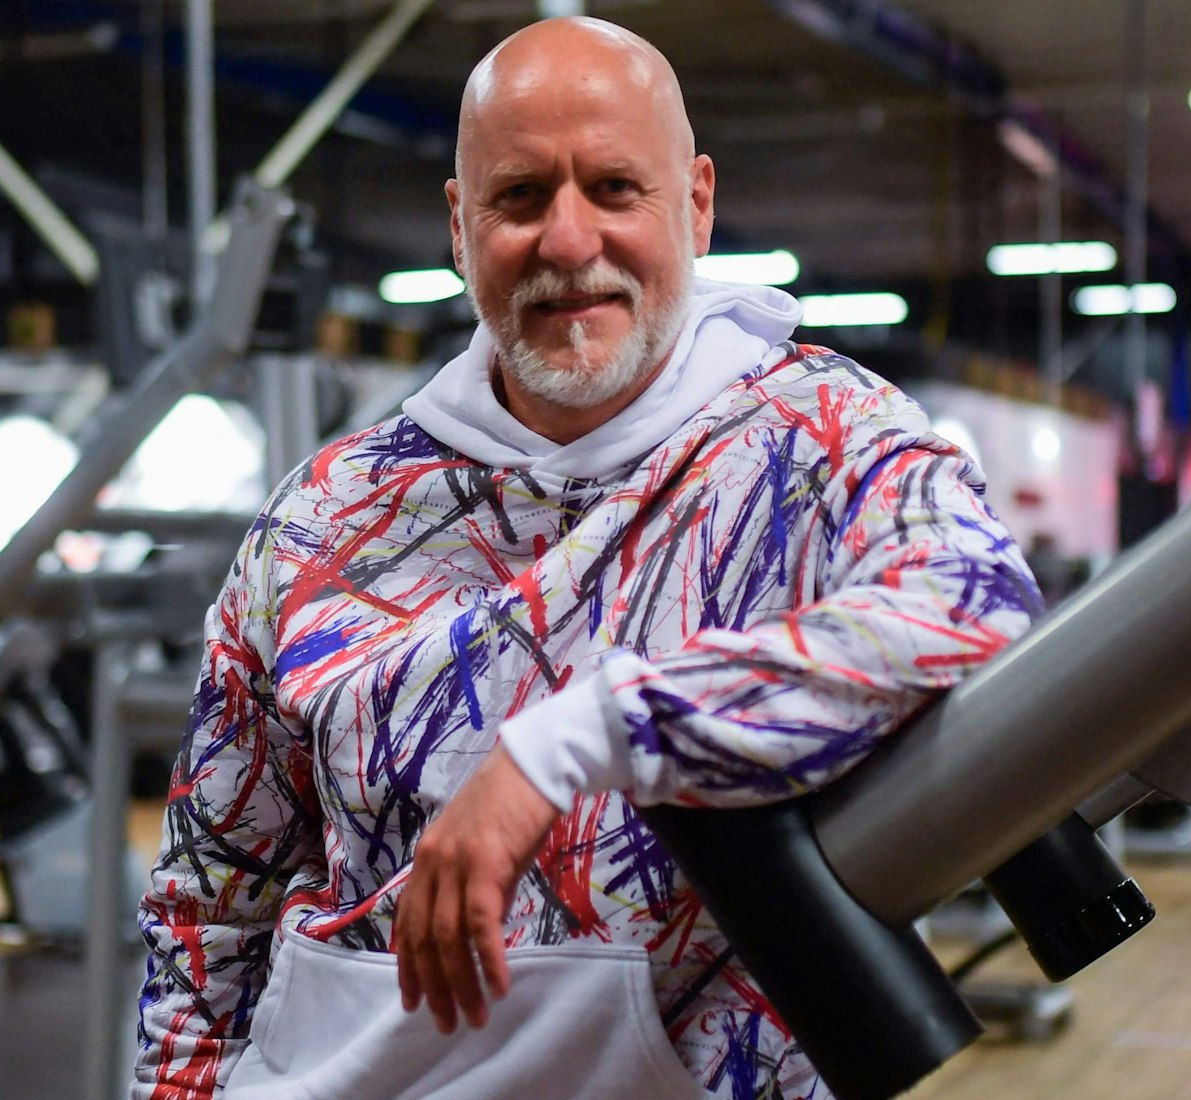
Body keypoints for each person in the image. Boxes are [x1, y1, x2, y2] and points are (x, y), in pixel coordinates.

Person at [133, 16, 1038, 1100]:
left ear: (696, 203)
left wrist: (578, 739)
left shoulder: (819, 442)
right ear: (461, 228)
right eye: (520, 197)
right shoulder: (326, 516)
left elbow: (975, 602)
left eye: (615, 188)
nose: (568, 242)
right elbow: (207, 906)